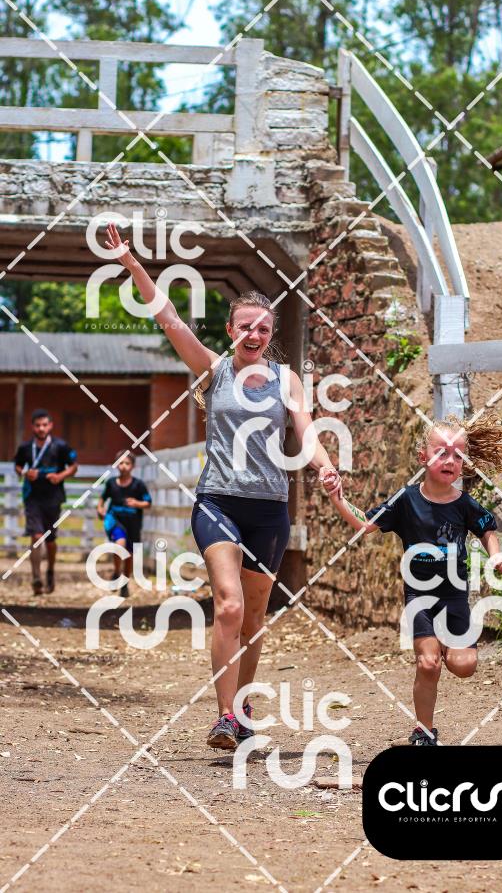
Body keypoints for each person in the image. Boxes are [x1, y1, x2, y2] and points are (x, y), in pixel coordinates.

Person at [105, 222, 342, 750]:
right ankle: (225, 717)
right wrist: (133, 265)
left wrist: (324, 466)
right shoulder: (213, 370)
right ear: (231, 330)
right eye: (244, 327)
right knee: (230, 606)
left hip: (269, 510)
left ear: (271, 333)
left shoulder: (285, 380)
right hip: (218, 503)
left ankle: (243, 704)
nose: (253, 335)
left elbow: (306, 431)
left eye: (263, 328)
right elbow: (168, 317)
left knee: (254, 618)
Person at [323, 413, 502, 746]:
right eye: (441, 452)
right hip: (420, 597)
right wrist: (337, 497)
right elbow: (365, 525)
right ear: (422, 457)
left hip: (454, 597)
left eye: (458, 455)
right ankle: (423, 731)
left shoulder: (464, 504)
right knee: (428, 664)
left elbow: (486, 528)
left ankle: (448, 644)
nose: (450, 460)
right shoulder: (406, 500)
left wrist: (495, 555)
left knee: (465, 666)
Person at [14, 409, 78, 595]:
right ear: (32, 427)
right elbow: (17, 466)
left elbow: (74, 466)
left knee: (50, 540)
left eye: (44, 425)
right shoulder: (25, 448)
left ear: (50, 425)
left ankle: (50, 569)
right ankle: (36, 578)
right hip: (32, 497)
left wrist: (60, 476)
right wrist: (25, 473)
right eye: (37, 425)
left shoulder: (61, 446)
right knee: (36, 536)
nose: (41, 429)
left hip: (53, 498)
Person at [96, 451, 152, 598]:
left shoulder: (138, 485)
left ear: (133, 466)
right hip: (114, 520)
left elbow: (148, 502)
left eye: (127, 463)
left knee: (129, 554)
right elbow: (102, 499)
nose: (124, 466)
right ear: (116, 465)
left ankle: (124, 583)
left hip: (133, 523)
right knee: (119, 545)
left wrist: (137, 503)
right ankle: (116, 571)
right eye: (121, 463)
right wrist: (100, 509)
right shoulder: (111, 483)